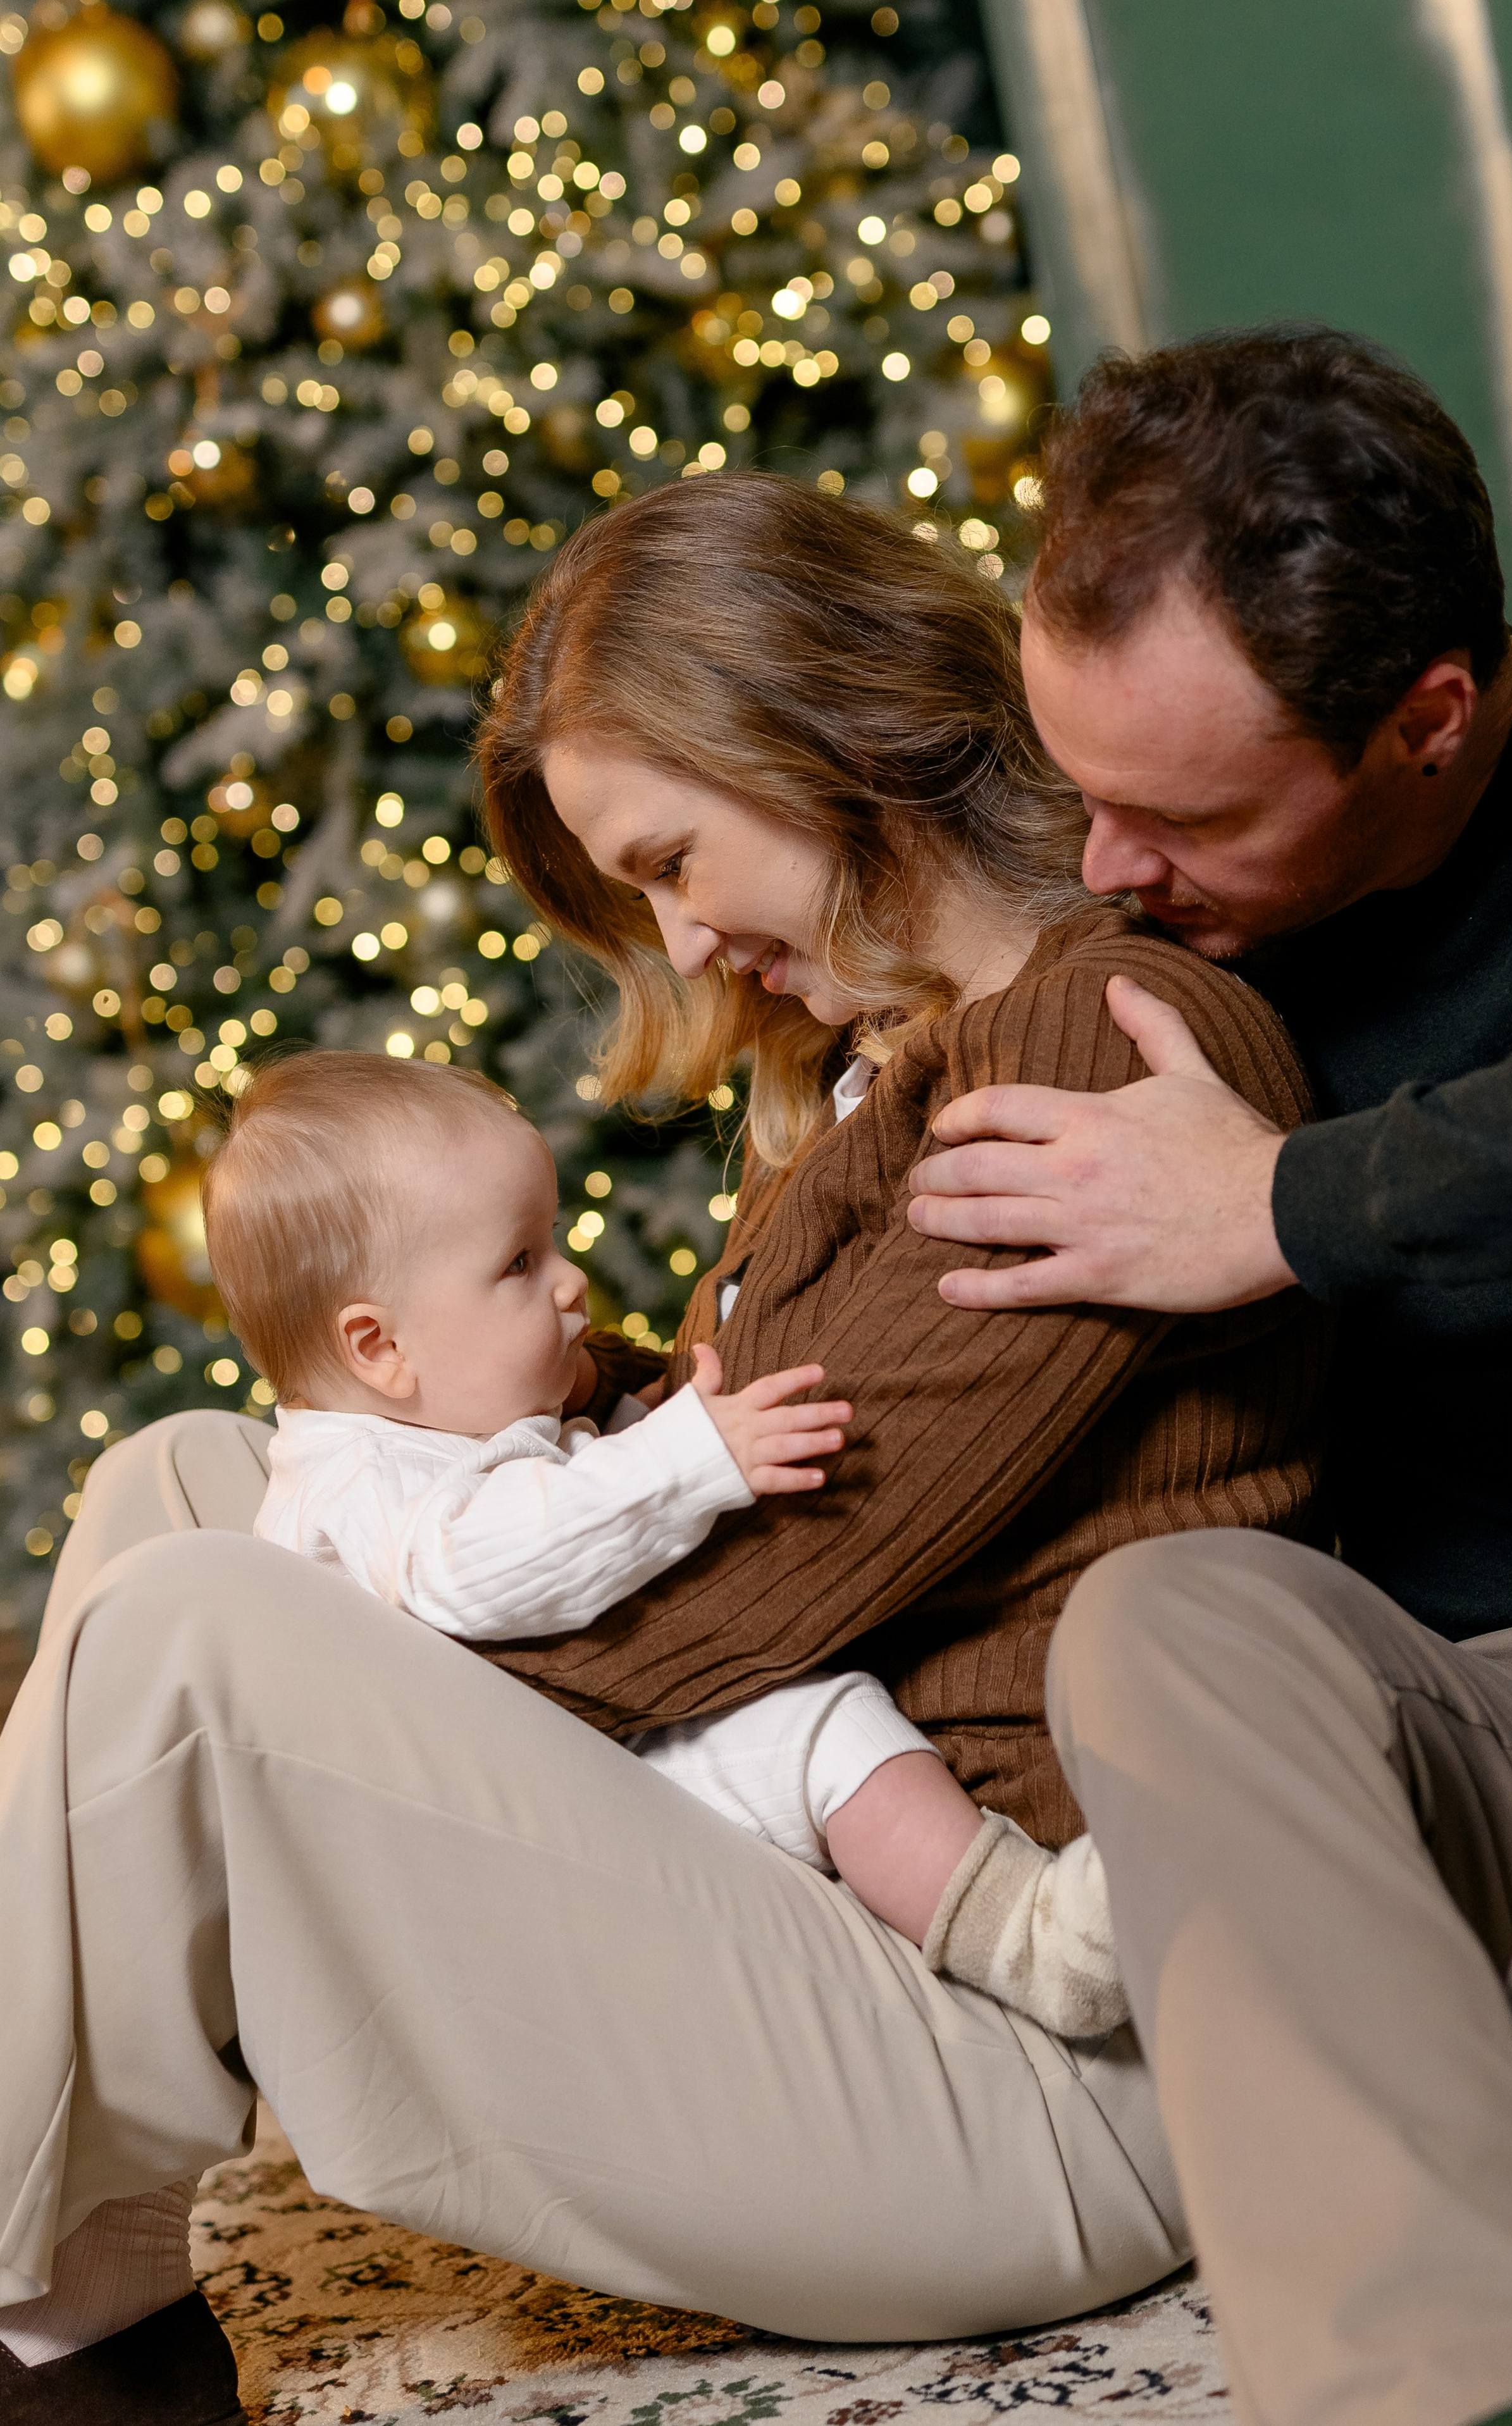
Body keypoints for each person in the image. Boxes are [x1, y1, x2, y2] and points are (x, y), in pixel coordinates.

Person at [0, 471, 1324, 2425]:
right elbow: (714, 1455)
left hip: (1046, 2041)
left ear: (822, 739)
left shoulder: (1094, 1057)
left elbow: (773, 1576)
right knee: (190, 1477)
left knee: (212, 1624)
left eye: (675, 857)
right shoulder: (907, 1061)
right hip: (841, 1901)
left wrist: (364, 1665)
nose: (686, 942)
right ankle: (66, 2279)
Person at [907, 326, 1512, 2424]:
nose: (1112, 866)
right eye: (1082, 793)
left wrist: (1294, 1204)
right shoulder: (1160, 938)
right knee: (1169, 1618)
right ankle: (1463, 2392)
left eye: (1179, 813)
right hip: (1457, 1720)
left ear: (1425, 718)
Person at [207, 1045, 1124, 2035]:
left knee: (813, 1727)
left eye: (551, 1241)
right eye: (518, 1264)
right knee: (820, 1728)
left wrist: (637, 1421)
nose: (569, 1284)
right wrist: (689, 1458)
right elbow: (484, 1566)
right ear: (380, 1349)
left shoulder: (417, 1423)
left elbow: (554, 1485)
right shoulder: (364, 1481)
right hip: (510, 1835)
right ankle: (1033, 1942)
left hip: (557, 1772)